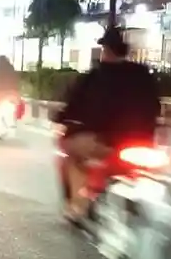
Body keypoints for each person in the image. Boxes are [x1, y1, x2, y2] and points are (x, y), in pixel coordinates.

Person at [55, 26, 161, 221]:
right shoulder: (143, 74)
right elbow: (156, 106)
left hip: (107, 142)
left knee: (70, 152)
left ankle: (77, 206)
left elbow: (73, 105)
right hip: (144, 142)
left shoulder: (95, 76)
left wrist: (61, 118)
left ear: (106, 50)